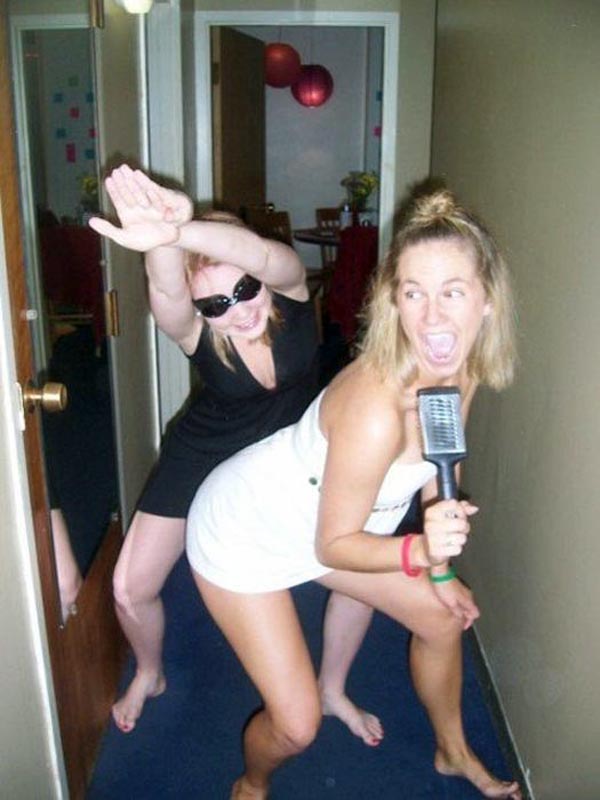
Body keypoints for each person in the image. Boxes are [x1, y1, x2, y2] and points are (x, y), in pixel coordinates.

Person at [185, 187, 521, 799]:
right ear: (394, 300)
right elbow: (334, 546)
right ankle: (251, 786)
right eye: (413, 293)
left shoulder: (460, 368)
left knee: (443, 618)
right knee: (295, 727)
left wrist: (441, 573)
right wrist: (422, 554)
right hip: (246, 530)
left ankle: (452, 752)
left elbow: (439, 466)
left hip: (331, 521)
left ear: (487, 301)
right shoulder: (375, 409)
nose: (432, 318)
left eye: (452, 292)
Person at [88, 165, 380, 741]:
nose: (239, 310)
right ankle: (149, 672)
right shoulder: (193, 332)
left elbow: (262, 255)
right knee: (128, 587)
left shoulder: (292, 291)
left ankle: (332, 688)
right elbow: (169, 294)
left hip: (287, 456)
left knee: (358, 570)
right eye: (217, 304)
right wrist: (163, 247)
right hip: (205, 451)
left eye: (246, 289)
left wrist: (181, 229)